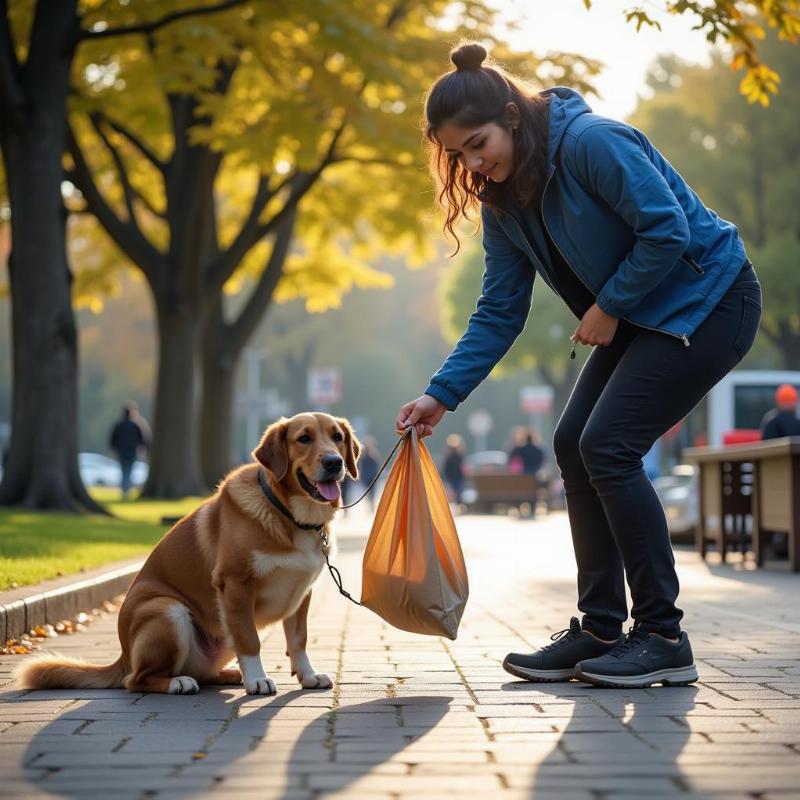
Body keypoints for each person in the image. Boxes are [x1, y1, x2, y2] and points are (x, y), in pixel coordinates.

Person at [395, 43, 761, 689]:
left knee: (609, 445)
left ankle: (663, 637)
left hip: (710, 299)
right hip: (642, 313)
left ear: (511, 115)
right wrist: (440, 394)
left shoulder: (592, 143)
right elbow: (499, 311)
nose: (474, 164)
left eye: (479, 144)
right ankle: (598, 629)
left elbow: (667, 230)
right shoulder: (502, 201)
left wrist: (611, 304)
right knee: (572, 443)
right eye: (458, 155)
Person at [109, 403, 149, 499]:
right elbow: (142, 438)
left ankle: (124, 490)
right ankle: (126, 490)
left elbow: (112, 439)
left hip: (121, 451)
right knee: (129, 471)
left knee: (123, 470)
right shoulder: (135, 425)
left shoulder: (118, 425)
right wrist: (144, 448)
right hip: (132, 451)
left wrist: (114, 449)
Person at [442, 433, 466, 503]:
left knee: (458, 492)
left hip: (456, 477)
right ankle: (458, 502)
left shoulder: (452, 456)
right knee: (457, 491)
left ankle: (458, 502)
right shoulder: (458, 456)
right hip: (454, 477)